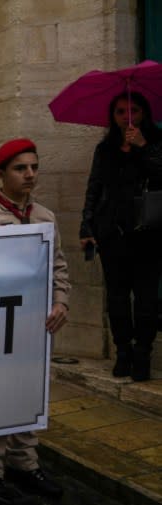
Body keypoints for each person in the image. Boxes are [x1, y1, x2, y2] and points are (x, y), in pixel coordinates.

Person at [0, 138, 69, 505]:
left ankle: (25, 464)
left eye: (34, 167)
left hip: (38, 326)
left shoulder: (45, 217)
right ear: (0, 173)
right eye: (20, 168)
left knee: (32, 395)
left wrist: (61, 302)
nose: (30, 175)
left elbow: (58, 266)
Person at [80, 91, 162, 382]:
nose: (128, 117)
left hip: (149, 235)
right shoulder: (105, 149)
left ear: (145, 114)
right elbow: (94, 188)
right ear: (112, 117)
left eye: (135, 110)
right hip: (112, 234)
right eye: (120, 112)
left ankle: (143, 353)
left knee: (146, 299)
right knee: (116, 297)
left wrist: (142, 147)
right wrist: (86, 227)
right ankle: (123, 351)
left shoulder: (156, 143)